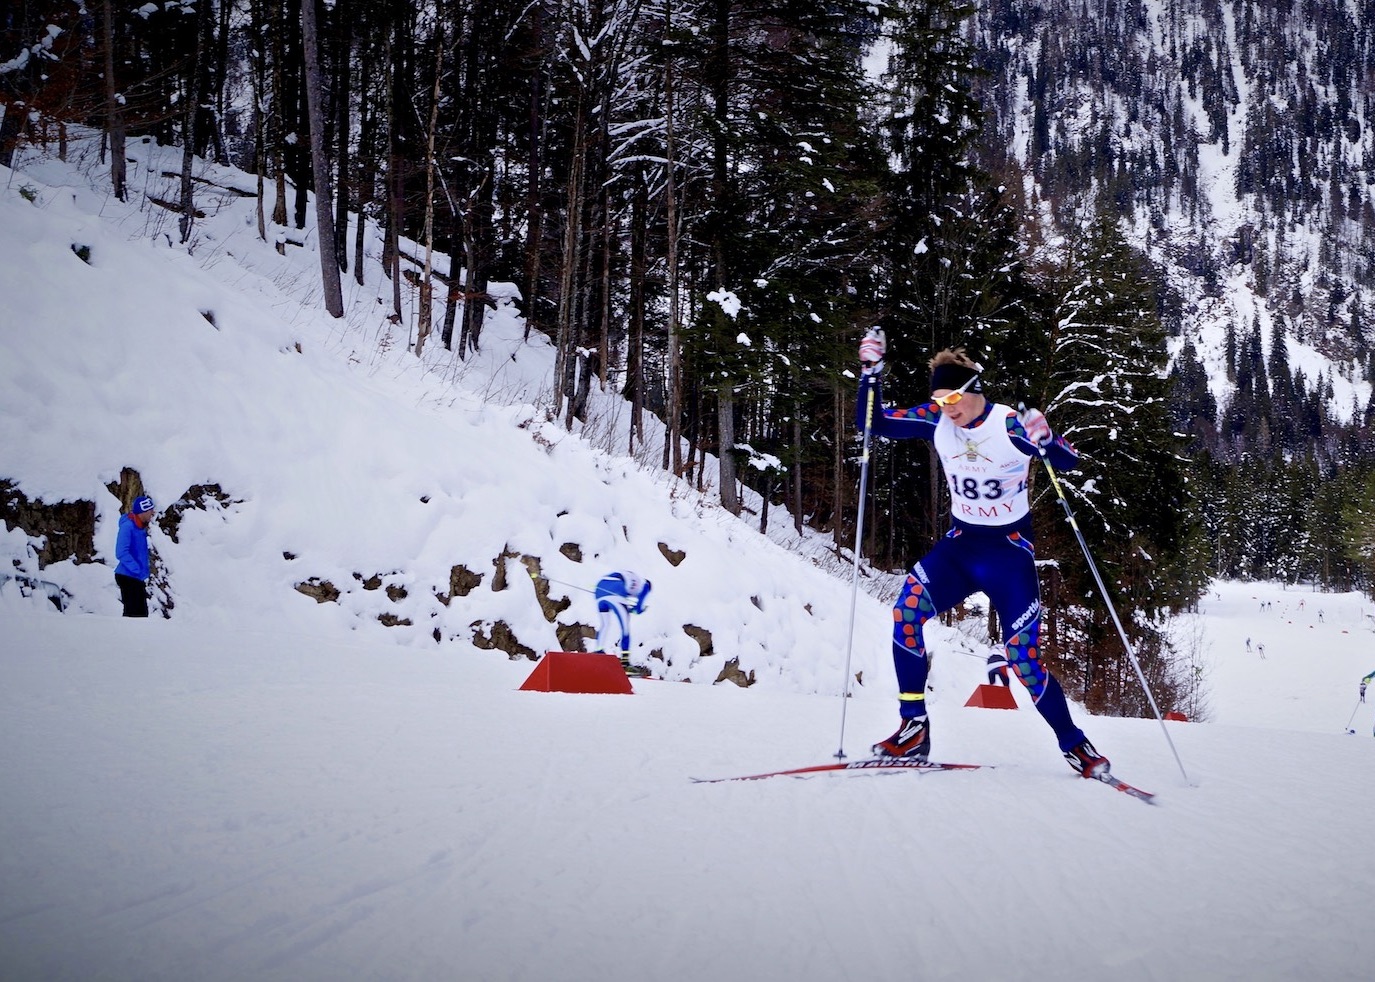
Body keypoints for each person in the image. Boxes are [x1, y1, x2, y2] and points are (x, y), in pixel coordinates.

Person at [856, 332, 1110, 778]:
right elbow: (872, 423)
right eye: (938, 400)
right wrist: (870, 376)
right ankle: (913, 727)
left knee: (1023, 661)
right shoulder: (936, 421)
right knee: (906, 614)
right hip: (961, 545)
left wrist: (1047, 438)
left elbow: (1067, 462)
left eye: (953, 396)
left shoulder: (1010, 424)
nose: (947, 407)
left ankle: (1076, 745)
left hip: (1008, 553)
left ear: (974, 388)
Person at [593, 570, 652, 677]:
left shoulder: (633, 578)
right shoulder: (645, 585)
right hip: (616, 588)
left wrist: (629, 608)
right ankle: (625, 663)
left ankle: (598, 651)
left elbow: (624, 604)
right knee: (625, 627)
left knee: (605, 624)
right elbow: (637, 606)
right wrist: (638, 610)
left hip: (600, 589)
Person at [114, 495, 155, 617]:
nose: (152, 513)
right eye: (150, 510)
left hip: (136, 577)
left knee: (141, 615)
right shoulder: (128, 526)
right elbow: (121, 552)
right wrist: (136, 568)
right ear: (142, 511)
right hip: (127, 576)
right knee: (133, 615)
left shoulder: (140, 527)